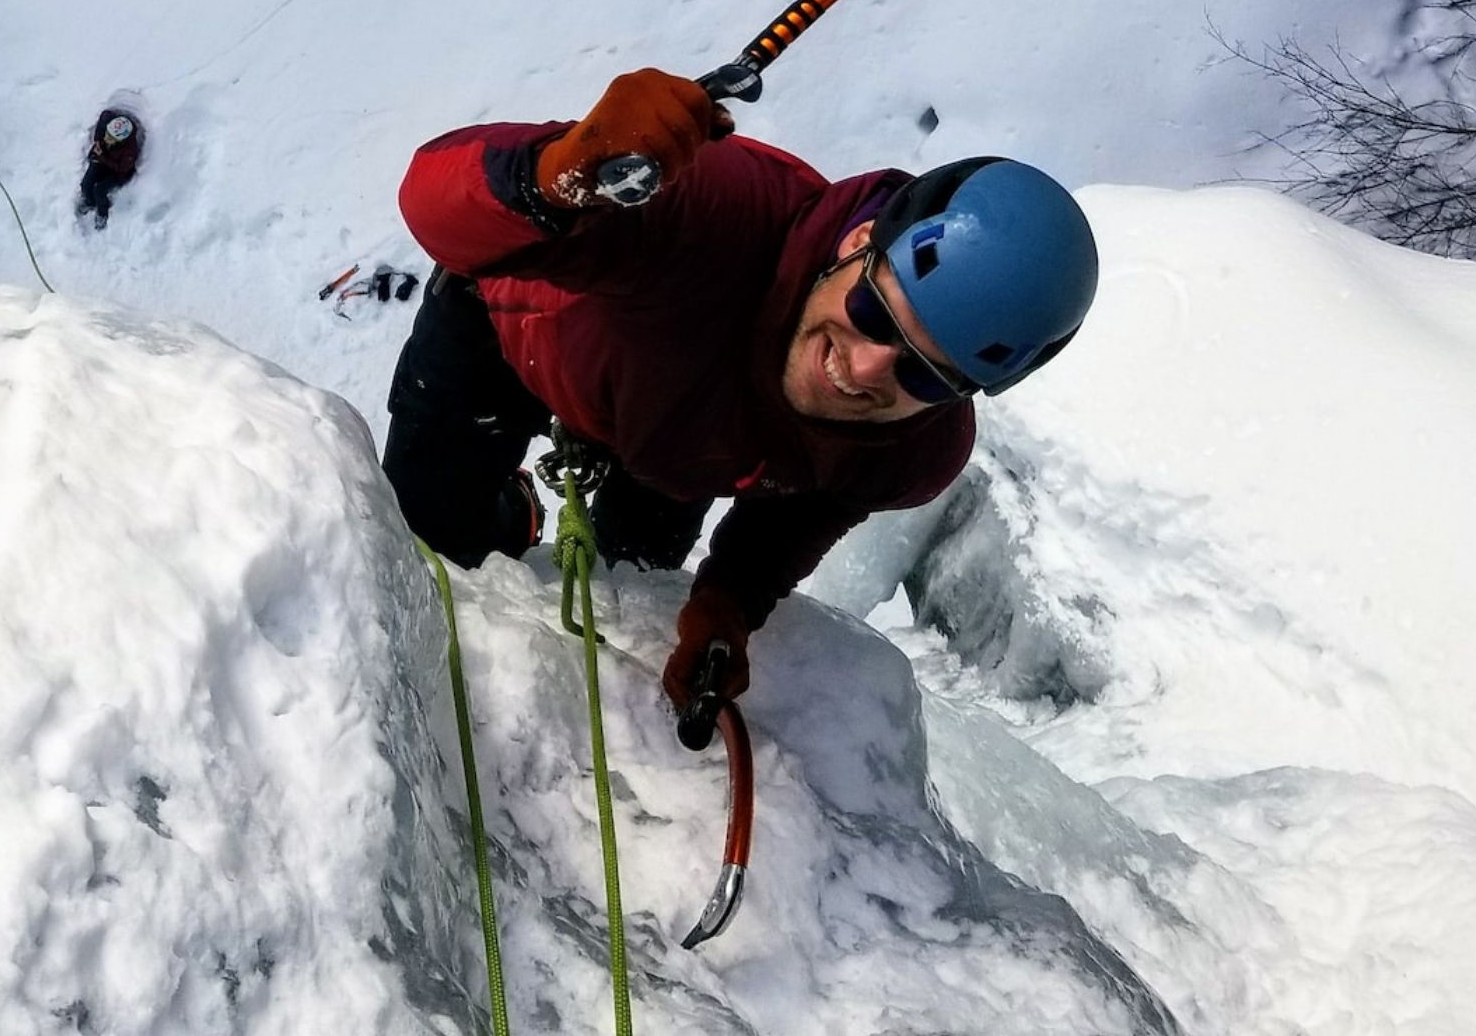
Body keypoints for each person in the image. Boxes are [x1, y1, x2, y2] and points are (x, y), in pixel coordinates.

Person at [389, 68, 1097, 720]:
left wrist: (730, 602)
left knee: (632, 582)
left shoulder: (914, 453)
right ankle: (508, 511)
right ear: (856, 241)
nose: (867, 366)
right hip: (502, 339)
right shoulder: (710, 212)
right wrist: (553, 177)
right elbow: (431, 202)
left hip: (681, 445)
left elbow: (812, 508)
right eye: (876, 314)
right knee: (428, 543)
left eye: (922, 373)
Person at [77, 109, 144, 228]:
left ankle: (102, 213)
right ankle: (89, 202)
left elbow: (122, 168)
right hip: (103, 160)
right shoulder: (109, 128)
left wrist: (102, 156)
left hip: (117, 173)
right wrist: (98, 142)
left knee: (99, 190)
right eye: (107, 134)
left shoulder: (129, 150)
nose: (106, 137)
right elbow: (104, 117)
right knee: (86, 184)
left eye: (111, 138)